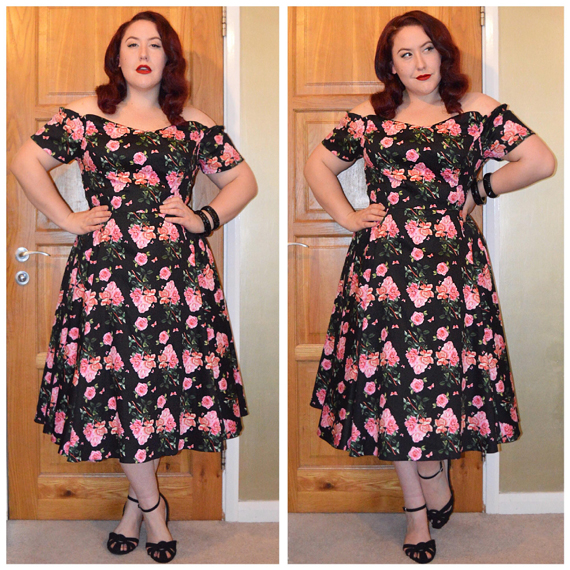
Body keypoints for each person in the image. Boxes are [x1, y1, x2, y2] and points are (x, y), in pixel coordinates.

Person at [305, 10, 554, 564]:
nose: (419, 62)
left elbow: (539, 161)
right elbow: (316, 165)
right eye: (405, 54)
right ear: (390, 66)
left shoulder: (476, 110)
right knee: (394, 387)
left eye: (426, 49)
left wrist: (480, 190)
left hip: (452, 271)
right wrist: (347, 216)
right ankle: (415, 510)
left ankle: (434, 471)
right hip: (383, 272)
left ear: (443, 53)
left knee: (438, 381)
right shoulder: (370, 118)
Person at [11, 10, 257, 564]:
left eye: (155, 45)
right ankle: (154, 510)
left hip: (178, 281)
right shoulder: (85, 116)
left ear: (169, 58)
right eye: (132, 44)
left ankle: (134, 508)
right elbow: (24, 162)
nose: (143, 53)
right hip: (105, 278)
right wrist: (67, 218)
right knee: (119, 389)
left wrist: (205, 218)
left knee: (154, 392)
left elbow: (243, 181)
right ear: (117, 56)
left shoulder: (191, 122)